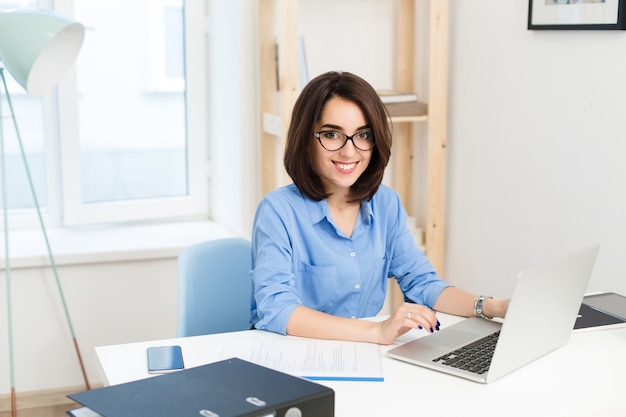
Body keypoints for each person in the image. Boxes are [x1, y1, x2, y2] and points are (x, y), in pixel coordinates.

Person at [250, 71, 509, 345]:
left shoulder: (386, 203)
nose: (349, 151)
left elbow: (422, 282)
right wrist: (376, 331)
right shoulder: (278, 211)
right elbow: (277, 309)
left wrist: (494, 307)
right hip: (294, 356)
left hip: (364, 356)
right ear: (305, 139)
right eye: (331, 134)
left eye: (363, 135)